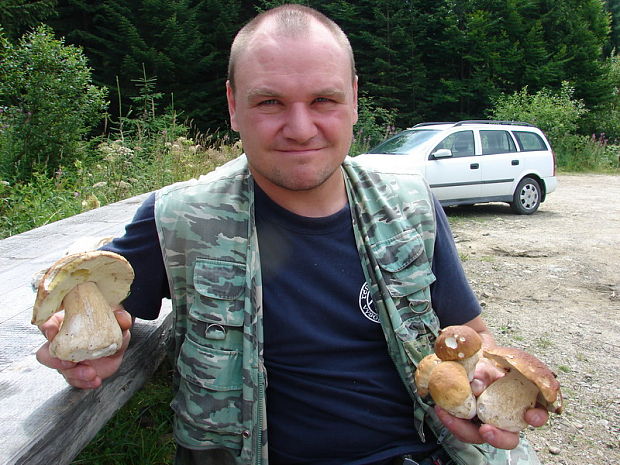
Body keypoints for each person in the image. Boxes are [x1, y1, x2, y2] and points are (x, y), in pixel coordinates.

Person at [36, 4, 549, 465]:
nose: (300, 128)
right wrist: (81, 343)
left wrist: (486, 380)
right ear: (234, 105)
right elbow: (96, 303)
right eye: (270, 103)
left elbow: (471, 335)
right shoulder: (177, 218)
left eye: (324, 99)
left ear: (353, 98)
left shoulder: (411, 206)